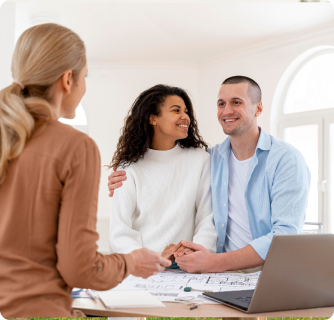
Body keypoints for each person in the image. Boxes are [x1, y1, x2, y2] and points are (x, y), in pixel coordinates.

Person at [0, 23, 170, 317]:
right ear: (67, 79)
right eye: (85, 76)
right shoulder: (75, 147)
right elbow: (80, 270)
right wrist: (131, 262)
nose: (84, 86)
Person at [108, 76, 310, 273]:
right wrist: (117, 181)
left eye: (236, 102)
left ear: (258, 108)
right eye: (221, 103)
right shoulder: (214, 157)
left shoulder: (285, 160)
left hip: (267, 273)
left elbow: (285, 235)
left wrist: (211, 261)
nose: (226, 110)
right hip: (215, 274)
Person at [108, 84, 217, 262]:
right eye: (176, 110)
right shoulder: (128, 167)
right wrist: (155, 259)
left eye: (186, 111)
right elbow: (120, 232)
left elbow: (208, 219)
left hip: (188, 267)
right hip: (143, 269)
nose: (185, 117)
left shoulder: (201, 160)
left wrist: (193, 252)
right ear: (153, 119)